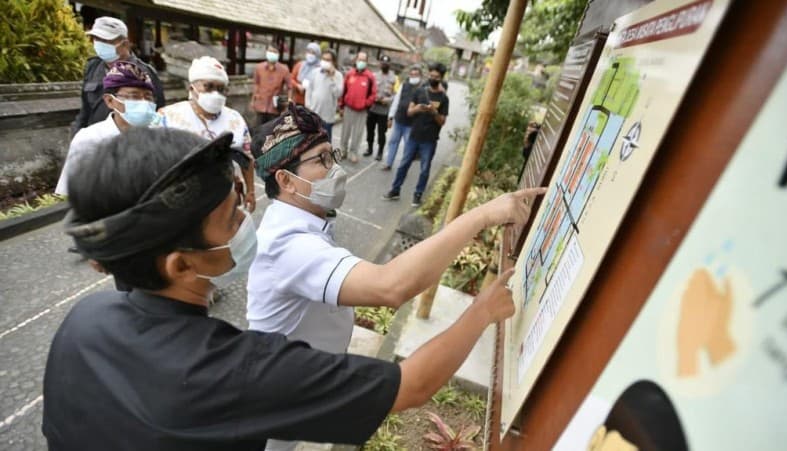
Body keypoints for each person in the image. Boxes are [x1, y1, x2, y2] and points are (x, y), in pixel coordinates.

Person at [43, 126, 519, 450]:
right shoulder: (238, 372)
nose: (247, 222)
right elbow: (410, 385)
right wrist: (480, 312)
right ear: (181, 264)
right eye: (232, 218)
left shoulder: (84, 323)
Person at [248, 105, 544, 451]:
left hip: (297, 387)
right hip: (276, 406)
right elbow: (392, 286)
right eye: (322, 160)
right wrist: (483, 216)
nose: (336, 169)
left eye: (333, 155)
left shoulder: (300, 223)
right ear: (285, 180)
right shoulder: (287, 246)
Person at [159, 56, 256, 212]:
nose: (216, 94)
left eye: (222, 89)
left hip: (224, 199)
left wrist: (251, 190)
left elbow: (246, 159)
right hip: (181, 203)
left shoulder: (234, 119)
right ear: (192, 89)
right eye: (208, 87)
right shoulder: (167, 117)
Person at [56, 60, 158, 196]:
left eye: (148, 97)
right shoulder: (90, 139)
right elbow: (68, 194)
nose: (144, 103)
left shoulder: (159, 137)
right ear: (110, 101)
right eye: (134, 96)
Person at [71, 16, 165, 138]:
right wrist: (77, 137)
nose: (99, 44)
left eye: (106, 40)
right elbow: (85, 111)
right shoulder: (93, 67)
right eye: (97, 39)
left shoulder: (144, 72)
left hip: (130, 142)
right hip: (95, 140)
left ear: (125, 44)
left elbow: (158, 113)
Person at [383, 63, 449, 207]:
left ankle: (418, 194)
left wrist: (434, 112)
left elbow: (442, 121)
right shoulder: (420, 92)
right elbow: (409, 112)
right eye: (431, 76)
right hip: (414, 135)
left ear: (441, 78)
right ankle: (395, 190)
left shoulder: (444, 98)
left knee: (424, 169)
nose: (433, 78)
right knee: (403, 164)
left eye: (436, 77)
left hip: (430, 139)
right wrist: (418, 109)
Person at [383, 65, 423, 170]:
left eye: (416, 75)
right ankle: (388, 163)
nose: (413, 76)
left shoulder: (422, 89)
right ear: (409, 75)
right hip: (399, 120)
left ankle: (404, 166)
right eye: (412, 74)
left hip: (411, 124)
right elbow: (396, 101)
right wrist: (390, 117)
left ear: (420, 76)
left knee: (408, 146)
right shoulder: (404, 85)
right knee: (393, 142)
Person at [339, 51, 376, 163]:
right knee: (345, 131)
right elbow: (344, 90)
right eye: (359, 59)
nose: (361, 62)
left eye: (363, 60)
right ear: (356, 60)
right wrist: (341, 106)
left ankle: (353, 152)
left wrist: (366, 103)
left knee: (358, 133)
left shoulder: (370, 77)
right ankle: (343, 150)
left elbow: (373, 94)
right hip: (348, 108)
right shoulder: (350, 74)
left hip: (362, 110)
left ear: (366, 62)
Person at [305, 48, 343, 139]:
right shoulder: (315, 72)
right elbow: (309, 90)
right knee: (311, 141)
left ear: (333, 62)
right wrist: (308, 106)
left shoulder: (338, 76)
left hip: (327, 117)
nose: (325, 61)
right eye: (323, 59)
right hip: (313, 113)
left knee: (325, 143)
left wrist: (331, 77)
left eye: (328, 60)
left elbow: (338, 94)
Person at [250, 44, 293, 125]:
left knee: (272, 130)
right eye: (270, 51)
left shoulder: (284, 69)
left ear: (278, 54)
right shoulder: (259, 68)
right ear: (266, 52)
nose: (272, 53)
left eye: (274, 52)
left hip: (275, 107)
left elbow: (290, 87)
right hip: (260, 104)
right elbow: (256, 84)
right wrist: (253, 100)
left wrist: (288, 102)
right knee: (258, 129)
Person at [364, 55, 396, 160]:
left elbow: (396, 95)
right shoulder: (373, 76)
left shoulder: (395, 78)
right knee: (370, 130)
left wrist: (387, 100)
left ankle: (380, 152)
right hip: (373, 108)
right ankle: (369, 148)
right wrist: (373, 98)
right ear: (380, 63)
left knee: (381, 133)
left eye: (386, 63)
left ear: (390, 65)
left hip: (384, 110)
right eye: (382, 62)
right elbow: (368, 91)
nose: (384, 64)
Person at [289, 42, 321, 107]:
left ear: (317, 55)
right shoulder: (299, 65)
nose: (310, 55)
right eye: (309, 52)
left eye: (313, 53)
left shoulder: (320, 69)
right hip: (297, 99)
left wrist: (309, 88)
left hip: (312, 102)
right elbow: (291, 79)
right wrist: (297, 85)